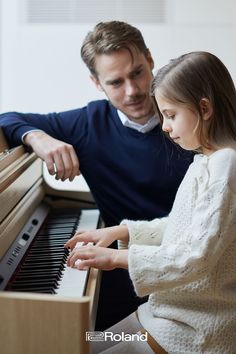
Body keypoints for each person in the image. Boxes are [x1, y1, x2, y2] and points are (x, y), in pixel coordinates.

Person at [0, 21, 192, 330]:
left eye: (137, 73)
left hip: (191, 275)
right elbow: (8, 119)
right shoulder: (88, 123)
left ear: (151, 60)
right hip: (127, 277)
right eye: (115, 82)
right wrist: (38, 137)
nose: (133, 91)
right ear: (96, 82)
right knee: (67, 338)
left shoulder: (191, 118)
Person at [65, 51, 236, 354]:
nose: (166, 127)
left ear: (205, 108)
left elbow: (196, 256)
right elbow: (186, 227)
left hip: (196, 327)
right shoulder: (204, 161)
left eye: (171, 115)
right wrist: (120, 232)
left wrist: (117, 259)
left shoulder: (227, 165)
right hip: (163, 311)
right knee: (80, 344)